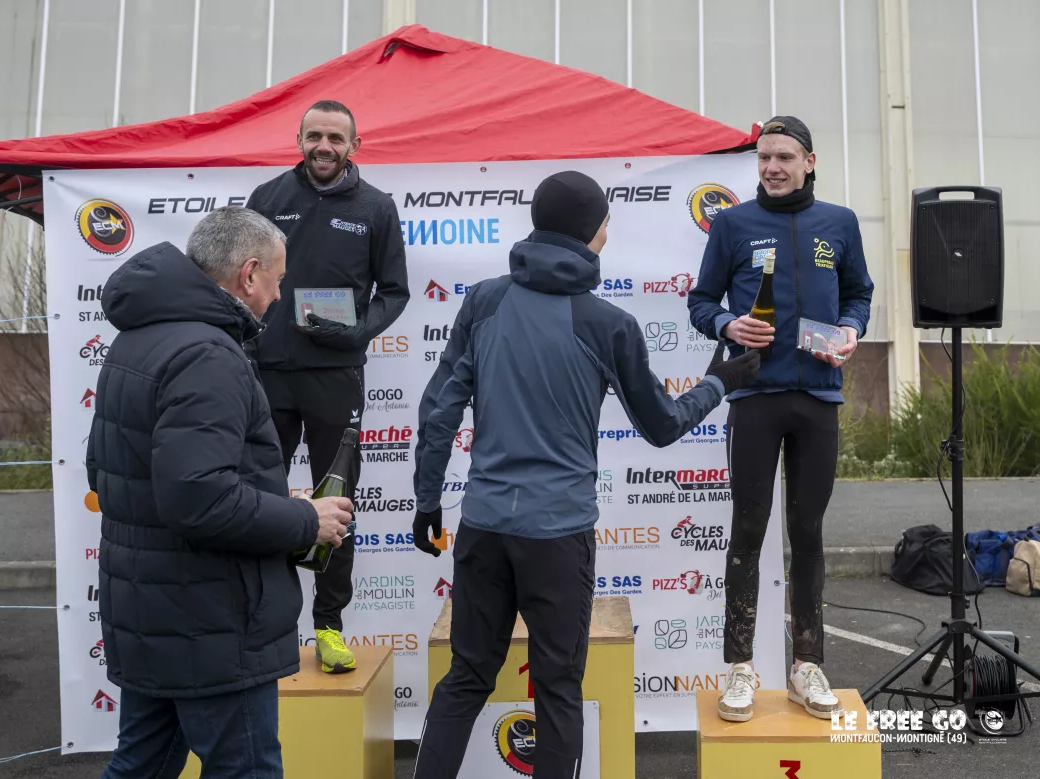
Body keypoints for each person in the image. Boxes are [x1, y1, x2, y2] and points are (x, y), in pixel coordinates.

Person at [408, 171, 761, 778]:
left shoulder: (484, 300)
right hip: (557, 535)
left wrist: (426, 502)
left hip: (485, 526)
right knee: (557, 688)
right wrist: (719, 382)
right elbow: (663, 425)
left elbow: (439, 411)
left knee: (466, 677)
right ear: (596, 232)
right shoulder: (609, 323)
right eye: (606, 223)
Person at [88, 207, 354, 778]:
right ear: (249, 274)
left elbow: (110, 474)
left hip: (154, 611)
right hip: (212, 619)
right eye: (277, 280)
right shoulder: (207, 354)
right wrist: (304, 521)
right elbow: (199, 499)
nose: (279, 296)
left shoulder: (139, 339)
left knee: (141, 766)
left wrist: (276, 507)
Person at [687, 116, 874, 722]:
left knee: (808, 532)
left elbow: (860, 293)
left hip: (818, 396)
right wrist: (727, 324)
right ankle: (740, 669)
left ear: (809, 162)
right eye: (764, 157)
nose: (771, 167)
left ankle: (806, 667)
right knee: (748, 528)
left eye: (784, 157)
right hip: (755, 397)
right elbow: (700, 301)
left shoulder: (840, 223)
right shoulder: (733, 223)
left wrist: (851, 328)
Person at [245, 99, 409, 674]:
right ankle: (266, 623)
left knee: (335, 504)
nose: (324, 146)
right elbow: (242, 279)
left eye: (335, 138)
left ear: (353, 146)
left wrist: (360, 330)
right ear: (299, 139)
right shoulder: (267, 198)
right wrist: (247, 340)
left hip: (336, 377)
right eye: (314, 135)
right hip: (268, 375)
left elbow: (394, 291)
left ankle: (329, 627)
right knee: (259, 500)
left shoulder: (375, 207)